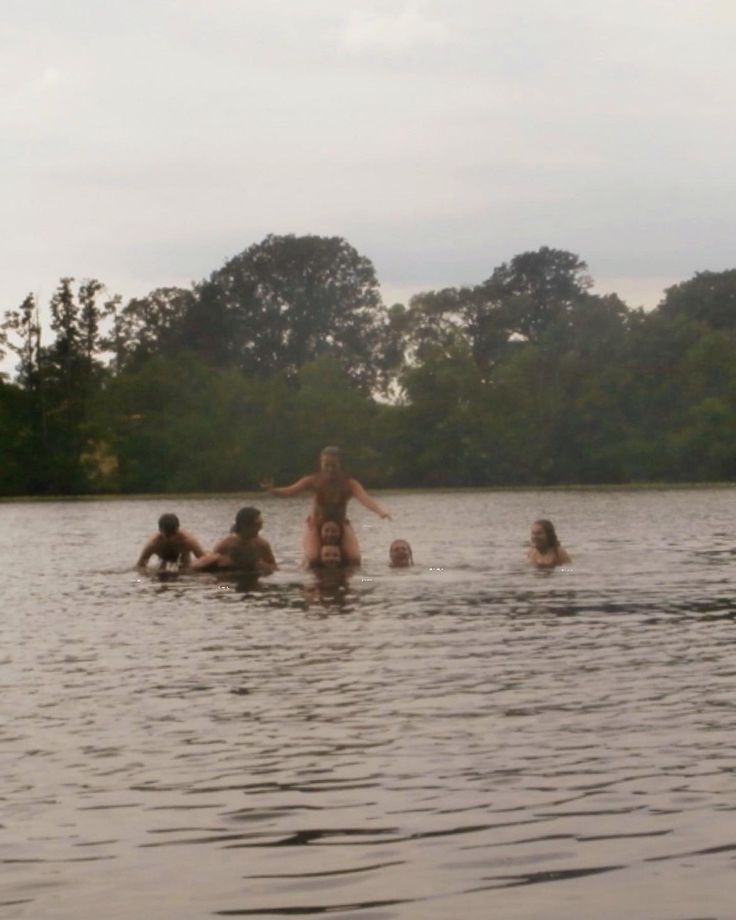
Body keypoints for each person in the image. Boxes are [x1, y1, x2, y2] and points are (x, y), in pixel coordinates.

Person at [261, 446, 391, 566]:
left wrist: (380, 512)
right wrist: (273, 490)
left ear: (341, 465)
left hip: (340, 524)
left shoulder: (349, 484)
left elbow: (365, 499)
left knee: (354, 559)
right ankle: (310, 579)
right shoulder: (312, 480)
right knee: (314, 559)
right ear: (321, 464)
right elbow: (290, 491)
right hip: (316, 524)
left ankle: (362, 582)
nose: (330, 469)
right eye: (326, 465)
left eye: (333, 465)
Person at [193, 506, 277, 575]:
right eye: (257, 525)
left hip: (251, 578)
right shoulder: (226, 545)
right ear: (244, 526)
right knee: (222, 587)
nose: (260, 528)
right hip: (229, 583)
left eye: (261, 524)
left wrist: (264, 567)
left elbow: (274, 567)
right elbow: (196, 566)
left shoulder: (262, 545)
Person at [137, 513, 205, 569]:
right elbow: (140, 565)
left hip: (184, 564)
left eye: (174, 534)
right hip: (163, 564)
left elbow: (203, 558)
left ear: (178, 529)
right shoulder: (153, 544)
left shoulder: (188, 541)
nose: (172, 539)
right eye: (168, 536)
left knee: (186, 572)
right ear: (160, 531)